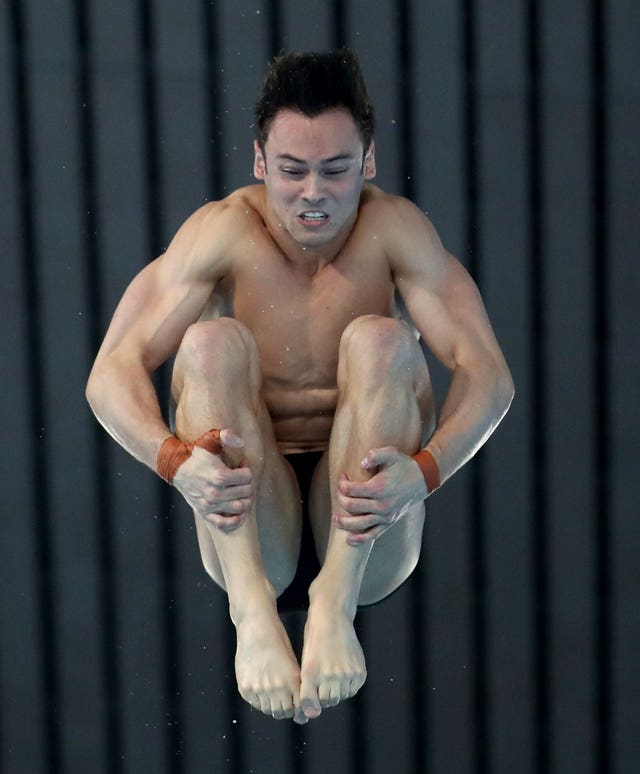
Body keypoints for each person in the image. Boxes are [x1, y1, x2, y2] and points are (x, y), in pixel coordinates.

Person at [86, 49, 514, 725]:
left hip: (368, 525)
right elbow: (110, 372)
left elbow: (490, 376)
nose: (313, 192)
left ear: (367, 162)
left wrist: (425, 474)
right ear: (260, 162)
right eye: (291, 171)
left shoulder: (395, 232)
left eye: (335, 170)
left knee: (383, 341)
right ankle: (252, 609)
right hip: (254, 520)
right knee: (208, 343)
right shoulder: (221, 233)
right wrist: (175, 464)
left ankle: (333, 602)